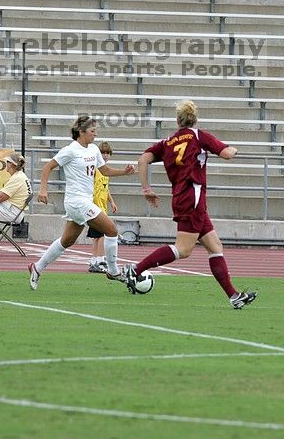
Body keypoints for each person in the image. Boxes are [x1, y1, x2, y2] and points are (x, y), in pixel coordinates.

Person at [122, 100, 257, 309]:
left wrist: (146, 189)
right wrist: (235, 148)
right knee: (183, 250)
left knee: (215, 246)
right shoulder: (199, 136)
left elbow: (143, 160)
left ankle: (234, 296)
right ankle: (136, 269)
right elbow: (227, 154)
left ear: (178, 121)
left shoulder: (168, 142)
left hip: (185, 197)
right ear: (195, 119)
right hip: (192, 197)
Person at [28, 115, 135, 290]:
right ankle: (114, 271)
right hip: (76, 201)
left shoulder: (93, 149)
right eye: (92, 131)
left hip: (84, 201)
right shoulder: (71, 150)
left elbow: (105, 170)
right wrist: (43, 189)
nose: (95, 135)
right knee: (111, 230)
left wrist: (124, 172)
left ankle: (37, 267)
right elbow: (48, 167)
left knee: (67, 241)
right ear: (81, 131)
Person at [86, 142, 118, 273]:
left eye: (107, 153)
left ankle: (94, 260)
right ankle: (100, 260)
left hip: (102, 206)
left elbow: (106, 188)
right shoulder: (96, 170)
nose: (105, 156)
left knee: (97, 236)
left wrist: (112, 201)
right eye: (103, 153)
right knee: (105, 234)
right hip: (95, 206)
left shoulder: (106, 171)